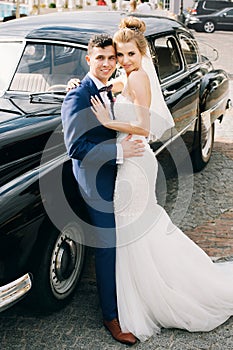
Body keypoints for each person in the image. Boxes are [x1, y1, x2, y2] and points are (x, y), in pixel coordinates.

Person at [90, 17, 233, 342]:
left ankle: (154, 295)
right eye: (119, 55)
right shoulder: (128, 77)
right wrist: (78, 85)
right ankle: (139, 290)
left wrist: (107, 121)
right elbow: (109, 87)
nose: (124, 61)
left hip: (136, 159)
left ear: (142, 53)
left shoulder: (139, 78)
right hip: (133, 159)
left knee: (134, 227)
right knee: (137, 227)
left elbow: (142, 125)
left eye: (130, 54)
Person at [61, 33, 145, 345]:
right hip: (94, 177)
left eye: (112, 58)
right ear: (88, 59)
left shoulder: (108, 87)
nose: (108, 64)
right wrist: (121, 153)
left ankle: (128, 292)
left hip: (119, 170)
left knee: (128, 233)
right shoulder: (78, 96)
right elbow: (77, 147)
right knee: (108, 242)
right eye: (100, 58)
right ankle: (110, 316)